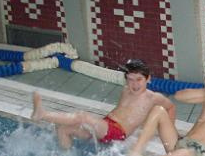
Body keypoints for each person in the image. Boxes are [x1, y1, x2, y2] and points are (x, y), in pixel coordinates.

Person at [31, 59, 175, 149]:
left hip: (117, 132)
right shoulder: (126, 90)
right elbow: (123, 112)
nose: (134, 84)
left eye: (139, 79)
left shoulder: (153, 97)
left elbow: (170, 107)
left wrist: (169, 130)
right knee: (63, 129)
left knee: (82, 116)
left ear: (148, 79)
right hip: (105, 126)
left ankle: (43, 114)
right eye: (130, 79)